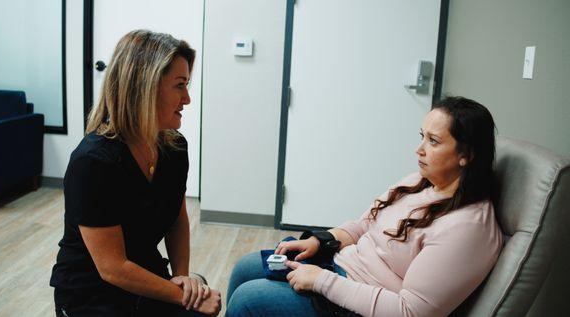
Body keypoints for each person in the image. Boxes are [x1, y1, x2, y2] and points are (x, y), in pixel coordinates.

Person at [226, 96, 503, 317]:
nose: (418, 149)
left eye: (433, 141)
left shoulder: (468, 228)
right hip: (339, 268)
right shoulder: (421, 181)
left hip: (359, 303)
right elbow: (364, 225)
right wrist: (322, 241)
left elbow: (410, 311)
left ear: (466, 155)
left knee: (248, 300)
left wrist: (321, 281)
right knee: (245, 268)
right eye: (422, 136)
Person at [50, 30, 221, 316]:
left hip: (147, 277)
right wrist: (184, 297)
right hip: (91, 296)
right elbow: (112, 267)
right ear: (145, 87)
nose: (188, 98)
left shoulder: (174, 148)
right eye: (180, 86)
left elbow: (177, 219)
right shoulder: (93, 162)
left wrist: (184, 280)